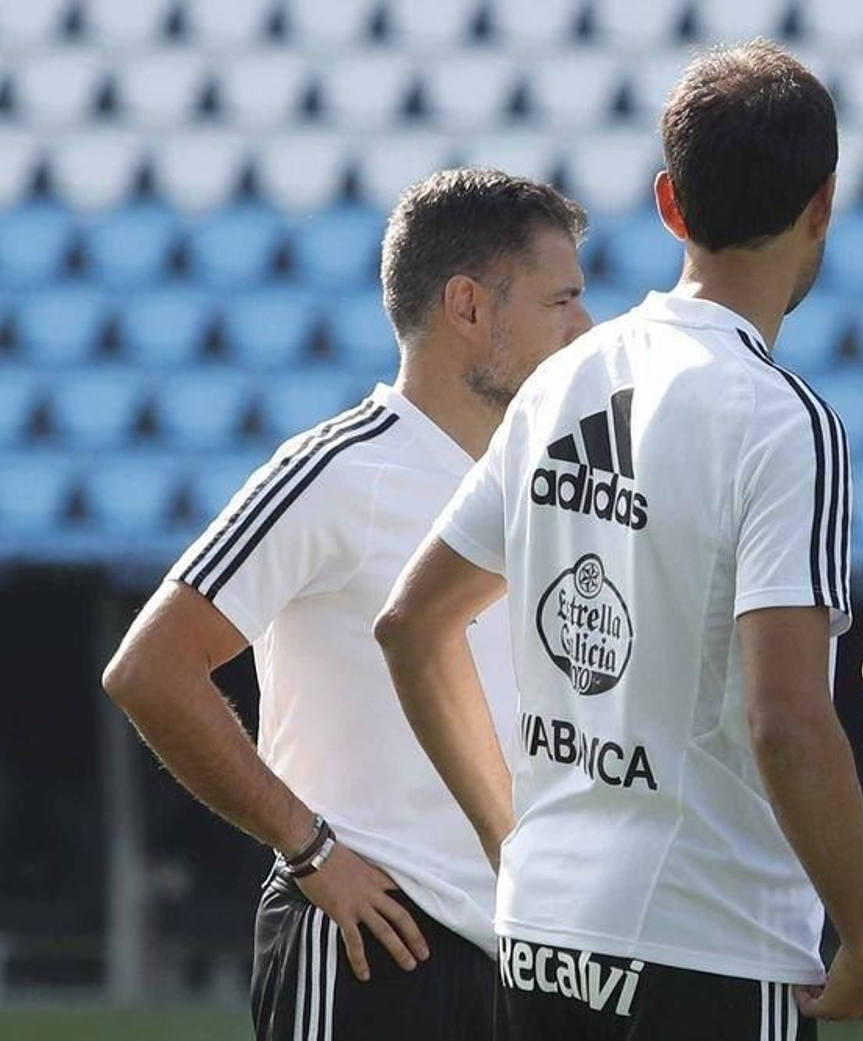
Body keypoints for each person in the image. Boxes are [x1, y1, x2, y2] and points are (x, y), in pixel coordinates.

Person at [375, 41, 863, 1040]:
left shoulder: (572, 370)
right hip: (705, 940)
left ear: (668, 204)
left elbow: (410, 626)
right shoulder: (784, 419)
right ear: (823, 206)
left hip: (541, 929)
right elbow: (786, 720)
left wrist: (511, 836)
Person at [101, 168, 592, 1040]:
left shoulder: (543, 489)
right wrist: (312, 849)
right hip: (371, 951)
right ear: (469, 307)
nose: (584, 329)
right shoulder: (339, 469)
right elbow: (150, 667)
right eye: (561, 301)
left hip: (518, 967)